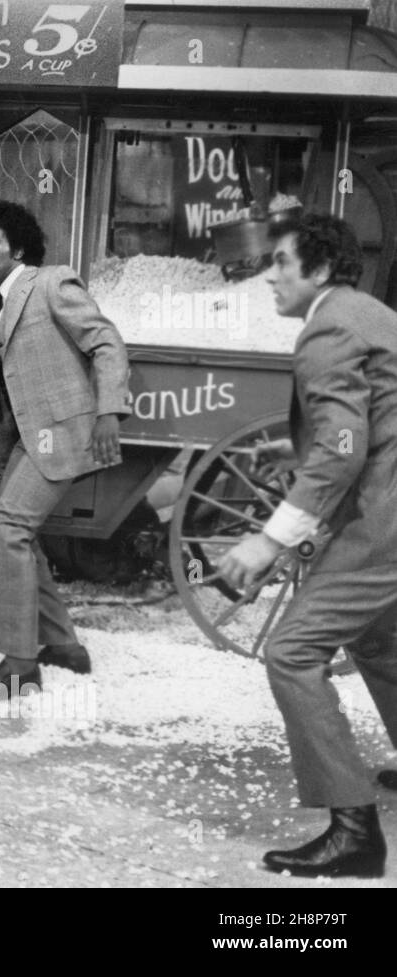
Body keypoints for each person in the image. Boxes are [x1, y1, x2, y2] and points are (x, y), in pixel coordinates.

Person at [217, 213, 397, 878]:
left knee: (292, 652)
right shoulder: (370, 312)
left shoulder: (325, 326)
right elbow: (375, 418)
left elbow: (343, 455)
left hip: (382, 523)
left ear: (318, 270)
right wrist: (294, 447)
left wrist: (269, 541)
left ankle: (354, 831)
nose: (270, 275)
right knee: (380, 641)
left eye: (282, 263)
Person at [0, 201, 131, 698]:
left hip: (67, 433)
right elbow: (11, 387)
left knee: (6, 529)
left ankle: (18, 666)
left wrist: (109, 412)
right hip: (31, 441)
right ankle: (63, 645)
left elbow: (107, 343)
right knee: (22, 535)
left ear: (20, 249)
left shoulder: (51, 284)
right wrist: (3, 451)